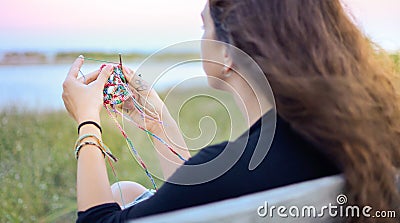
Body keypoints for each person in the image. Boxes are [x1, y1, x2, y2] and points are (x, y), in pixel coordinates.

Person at [62, 0, 400, 222]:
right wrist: (156, 119)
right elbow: (204, 195)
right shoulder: (356, 139)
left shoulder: (246, 164)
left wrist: (87, 122)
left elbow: (96, 220)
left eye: (204, 27)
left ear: (227, 55)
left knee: (125, 193)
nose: (201, 38)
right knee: (130, 193)